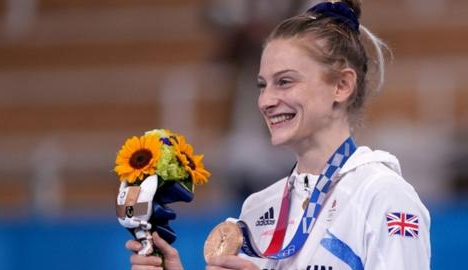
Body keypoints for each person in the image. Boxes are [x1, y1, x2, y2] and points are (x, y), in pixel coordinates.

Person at [126, 0, 431, 269]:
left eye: (284, 82)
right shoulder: (257, 208)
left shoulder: (383, 196)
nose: (266, 101)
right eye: (262, 85)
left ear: (341, 85)